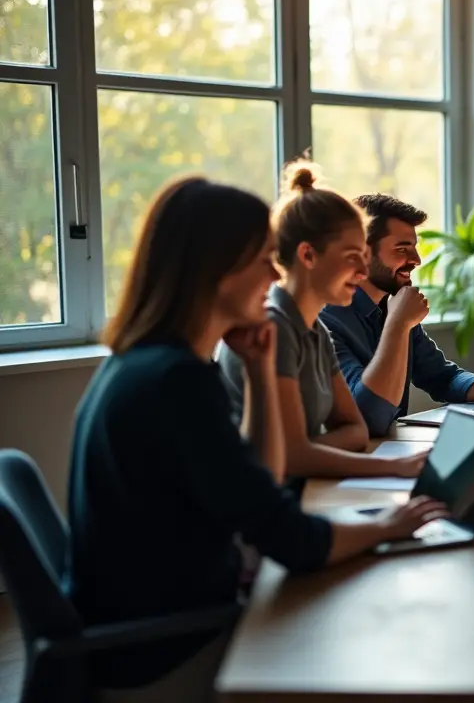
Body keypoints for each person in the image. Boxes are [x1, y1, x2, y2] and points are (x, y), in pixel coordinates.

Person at [67, 177, 448, 701]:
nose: (275, 275)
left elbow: (263, 480)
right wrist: (392, 523)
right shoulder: (175, 382)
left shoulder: (146, 363)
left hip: (166, 620)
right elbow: (290, 539)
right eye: (264, 259)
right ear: (214, 269)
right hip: (167, 652)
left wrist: (260, 363)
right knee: (390, 642)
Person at [219, 161, 425, 480]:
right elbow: (292, 458)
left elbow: (356, 429)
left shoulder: (315, 330)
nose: (362, 270)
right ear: (308, 256)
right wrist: (392, 467)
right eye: (351, 256)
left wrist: (305, 449)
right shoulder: (275, 327)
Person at [321, 194, 474, 436]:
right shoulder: (325, 320)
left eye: (414, 248)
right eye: (402, 249)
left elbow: (442, 377)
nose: (416, 260)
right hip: (348, 464)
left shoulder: (393, 306)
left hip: (391, 452)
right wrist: (398, 325)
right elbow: (368, 418)